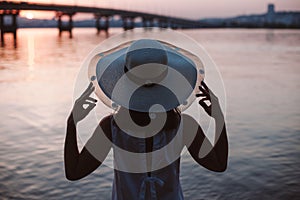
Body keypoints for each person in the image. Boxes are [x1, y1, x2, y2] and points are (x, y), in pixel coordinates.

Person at [64, 39, 228, 200]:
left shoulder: (111, 128)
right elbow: (218, 164)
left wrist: (72, 123)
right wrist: (218, 118)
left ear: (124, 81)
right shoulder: (184, 125)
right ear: (169, 81)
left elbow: (74, 172)